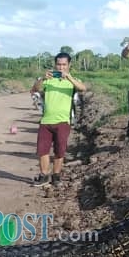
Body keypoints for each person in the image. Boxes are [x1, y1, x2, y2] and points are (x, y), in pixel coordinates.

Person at [29, 52, 87, 188]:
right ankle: (44, 176)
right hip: (46, 121)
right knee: (42, 150)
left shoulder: (72, 81)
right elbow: (34, 89)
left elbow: (83, 88)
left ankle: (56, 176)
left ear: (69, 65)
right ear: (55, 65)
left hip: (63, 122)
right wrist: (42, 78)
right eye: (59, 64)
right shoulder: (48, 79)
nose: (61, 68)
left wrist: (70, 78)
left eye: (64, 65)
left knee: (59, 151)